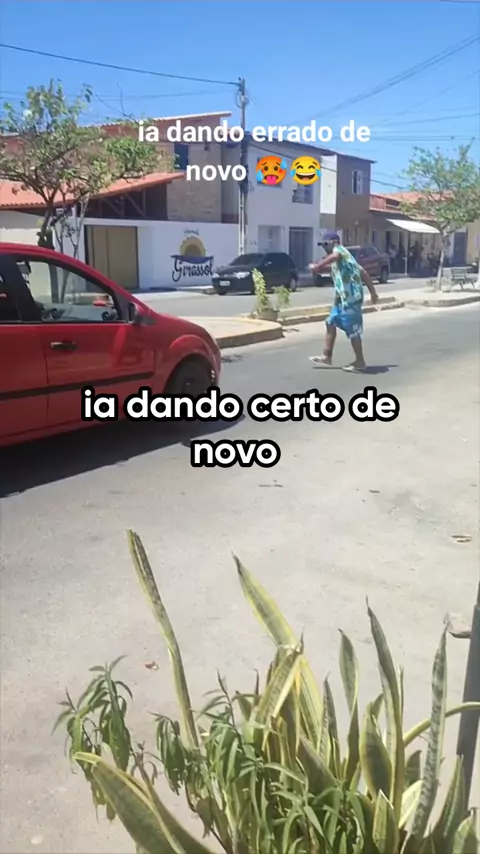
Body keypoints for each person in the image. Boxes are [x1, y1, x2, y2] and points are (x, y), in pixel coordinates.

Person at [308, 232, 379, 372]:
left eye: (325, 244)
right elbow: (362, 272)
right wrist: (373, 292)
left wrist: (317, 266)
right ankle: (327, 356)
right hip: (341, 299)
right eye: (322, 245)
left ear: (334, 242)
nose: (324, 248)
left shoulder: (339, 250)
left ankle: (360, 362)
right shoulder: (346, 259)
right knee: (330, 322)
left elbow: (335, 256)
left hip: (351, 299)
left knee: (353, 330)